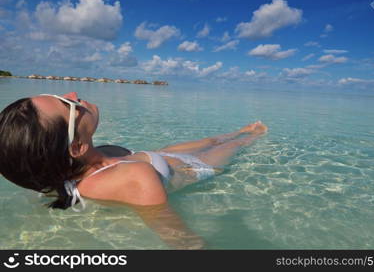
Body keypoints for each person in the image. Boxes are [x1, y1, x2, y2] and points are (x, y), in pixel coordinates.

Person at [0, 92, 268, 249]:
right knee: (235, 146)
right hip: (194, 168)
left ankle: (239, 131)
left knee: (215, 139)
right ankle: (248, 136)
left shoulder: (82, 166)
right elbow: (182, 240)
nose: (72, 95)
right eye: (67, 104)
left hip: (160, 156)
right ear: (78, 146)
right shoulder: (134, 180)